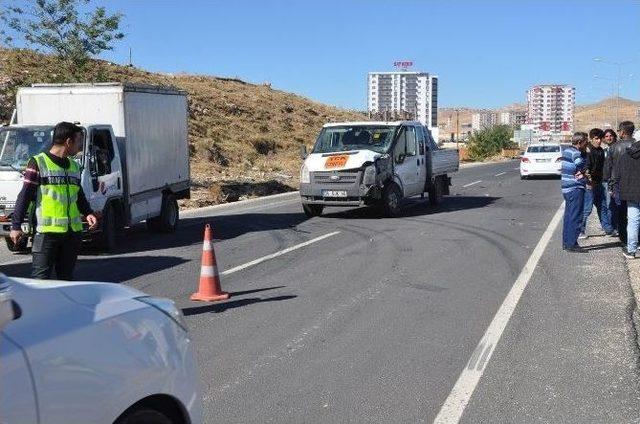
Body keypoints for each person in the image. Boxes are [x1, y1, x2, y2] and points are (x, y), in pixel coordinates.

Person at [10, 122, 99, 280]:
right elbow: (25, 195)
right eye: (78, 141)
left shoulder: (74, 166)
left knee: (66, 280)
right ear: (68, 142)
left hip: (72, 234)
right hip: (46, 235)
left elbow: (78, 194)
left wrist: (88, 213)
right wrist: (16, 226)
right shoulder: (38, 163)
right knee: (41, 281)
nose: (80, 147)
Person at [579, 128, 614, 238]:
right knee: (587, 209)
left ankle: (608, 229)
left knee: (602, 207)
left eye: (600, 138)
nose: (598, 141)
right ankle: (580, 230)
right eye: (596, 138)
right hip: (589, 184)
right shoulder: (587, 151)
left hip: (598, 183)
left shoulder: (600, 151)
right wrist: (589, 182)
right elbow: (586, 168)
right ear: (591, 138)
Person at [613, 122, 640, 258]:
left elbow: (617, 175)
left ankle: (631, 250)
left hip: (631, 193)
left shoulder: (625, 155)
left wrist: (614, 188)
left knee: (633, 221)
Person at [608, 121, 636, 244]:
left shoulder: (614, 147)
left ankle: (624, 239)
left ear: (623, 132)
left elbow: (609, 168)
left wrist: (610, 185)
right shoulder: (637, 145)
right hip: (635, 183)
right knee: (635, 213)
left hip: (619, 184)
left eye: (619, 131)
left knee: (621, 212)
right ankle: (635, 240)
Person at [561, 132, 589, 252]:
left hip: (566, 188)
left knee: (568, 216)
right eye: (585, 142)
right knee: (576, 217)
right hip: (575, 188)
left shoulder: (566, 151)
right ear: (579, 143)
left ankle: (567, 242)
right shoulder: (576, 153)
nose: (586, 144)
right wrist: (585, 173)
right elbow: (581, 165)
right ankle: (572, 244)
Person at [602, 128, 618, 235]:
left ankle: (615, 226)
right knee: (608, 204)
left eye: (611, 135)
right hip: (605, 180)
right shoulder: (604, 151)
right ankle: (611, 226)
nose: (609, 138)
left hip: (615, 180)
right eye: (606, 136)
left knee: (614, 204)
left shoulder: (617, 148)